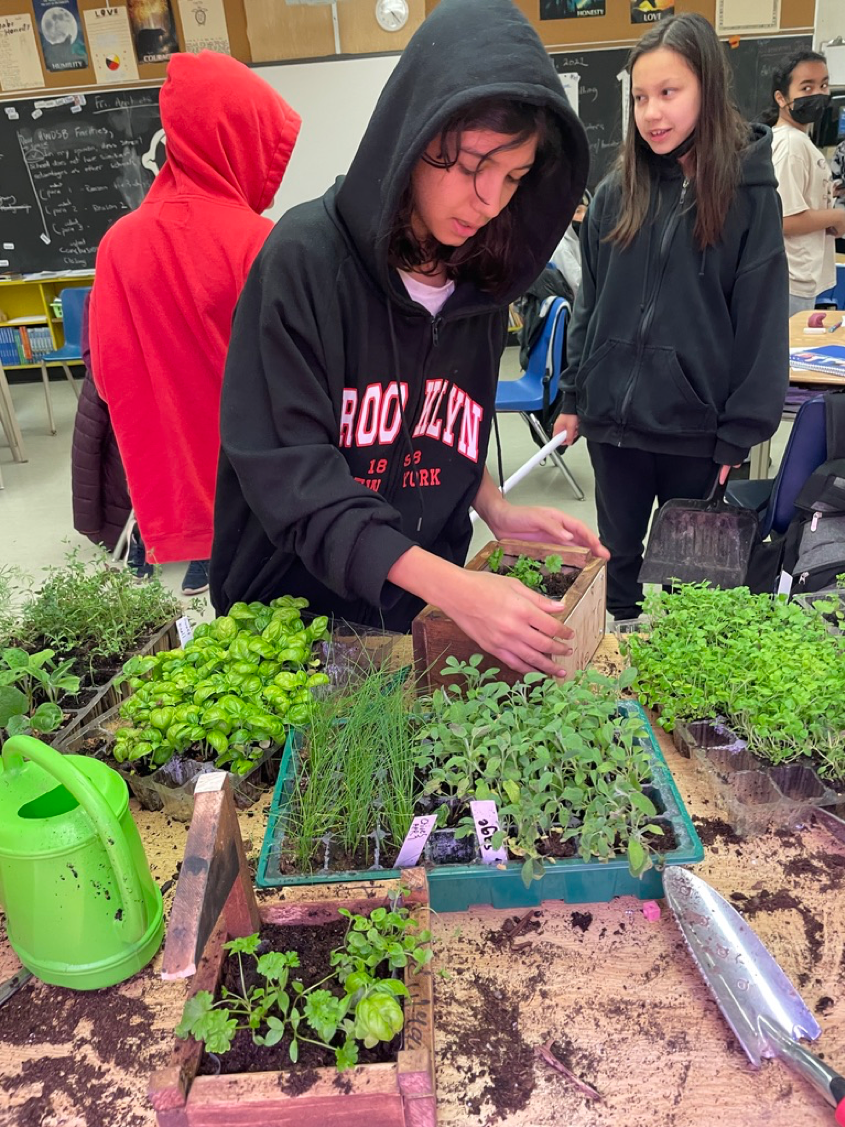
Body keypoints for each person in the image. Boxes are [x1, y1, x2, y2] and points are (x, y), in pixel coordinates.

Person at [210, 0, 606, 678]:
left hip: (416, 609)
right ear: (413, 135)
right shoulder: (302, 262)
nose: (488, 200)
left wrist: (495, 507)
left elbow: (432, 427)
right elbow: (296, 482)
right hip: (291, 622)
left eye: (513, 177)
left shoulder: (480, 275)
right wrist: (457, 589)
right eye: (472, 164)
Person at [554, 12, 788, 622]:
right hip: (614, 429)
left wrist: (740, 429)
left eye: (668, 93)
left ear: (707, 90)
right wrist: (575, 391)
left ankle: (683, 712)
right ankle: (618, 684)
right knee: (617, 569)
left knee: (692, 589)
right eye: (639, 97)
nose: (651, 113)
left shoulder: (748, 195)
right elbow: (591, 302)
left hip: (696, 431)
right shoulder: (615, 193)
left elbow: (760, 319)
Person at [88, 51, 301, 596]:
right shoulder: (258, 241)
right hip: (254, 485)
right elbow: (296, 377)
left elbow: (108, 376)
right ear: (236, 139)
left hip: (166, 487)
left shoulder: (118, 242)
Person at [763, 50, 845, 316]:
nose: (818, 94)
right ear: (781, 97)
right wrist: (837, 214)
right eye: (806, 87)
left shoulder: (800, 142)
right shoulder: (790, 144)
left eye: (823, 85)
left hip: (800, 275)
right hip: (790, 277)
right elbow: (783, 218)